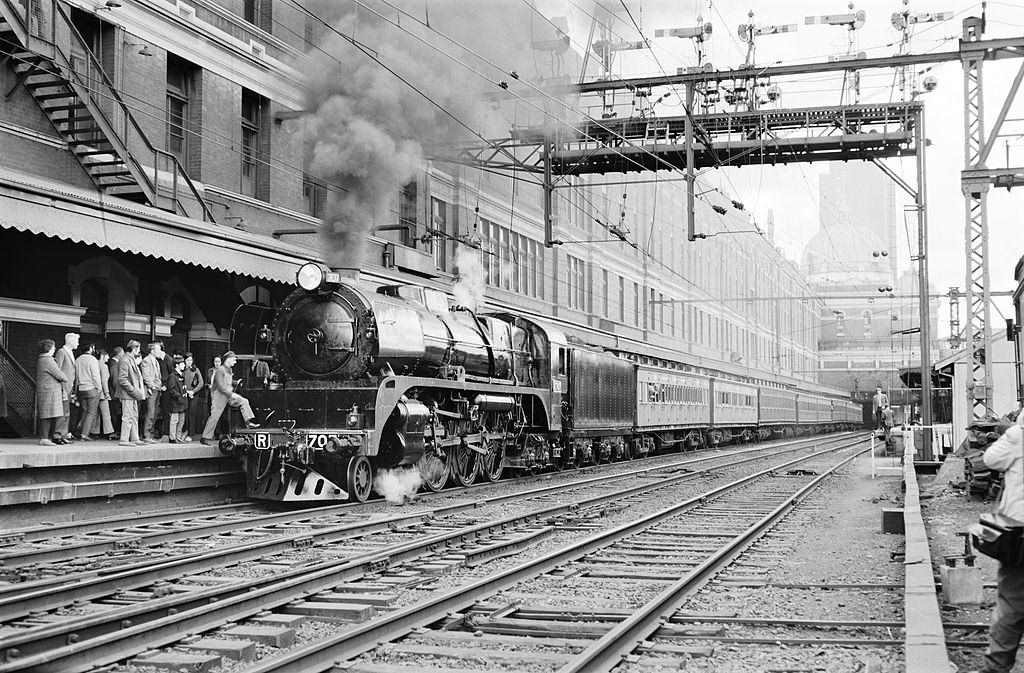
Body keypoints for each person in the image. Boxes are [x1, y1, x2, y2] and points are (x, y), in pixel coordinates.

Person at [979, 409, 1024, 673]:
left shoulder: (1018, 436)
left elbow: (991, 459)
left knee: (1012, 603)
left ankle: (996, 667)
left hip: (1020, 532)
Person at [201, 351, 259, 445]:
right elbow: (220, 386)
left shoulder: (229, 370)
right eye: (234, 360)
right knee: (214, 417)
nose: (235, 362)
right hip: (219, 396)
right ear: (228, 360)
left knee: (244, 401)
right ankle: (205, 437)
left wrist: (236, 383)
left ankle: (248, 421)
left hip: (228, 394)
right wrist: (232, 394)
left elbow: (229, 382)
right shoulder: (220, 370)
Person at [35, 339, 68, 446]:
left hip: (46, 390)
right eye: (53, 347)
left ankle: (45, 438)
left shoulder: (42, 359)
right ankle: (44, 438)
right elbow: (61, 375)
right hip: (50, 391)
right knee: (48, 416)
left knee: (47, 415)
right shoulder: (48, 360)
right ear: (48, 348)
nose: (54, 349)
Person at [116, 340, 146, 446]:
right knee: (128, 416)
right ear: (134, 349)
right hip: (127, 394)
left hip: (130, 394)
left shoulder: (129, 359)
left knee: (133, 416)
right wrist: (133, 390)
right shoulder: (125, 360)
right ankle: (124, 439)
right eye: (138, 349)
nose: (139, 351)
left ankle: (134, 438)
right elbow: (122, 379)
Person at [53, 332, 79, 442]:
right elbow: (57, 369)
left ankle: (64, 434)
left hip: (69, 387)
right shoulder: (61, 352)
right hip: (63, 387)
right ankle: (58, 434)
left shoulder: (71, 353)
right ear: (71, 341)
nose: (78, 343)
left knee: (67, 412)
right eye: (76, 341)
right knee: (62, 412)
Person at [73, 342, 102, 441]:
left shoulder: (78, 359)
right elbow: (95, 375)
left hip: (81, 389)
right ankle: (85, 434)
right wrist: (99, 388)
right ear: (90, 348)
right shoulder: (92, 359)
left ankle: (80, 430)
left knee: (84, 410)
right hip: (91, 388)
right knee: (91, 412)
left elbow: (75, 376)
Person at [140, 342, 165, 443]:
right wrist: (153, 386)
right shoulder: (146, 361)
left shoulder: (155, 361)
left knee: (155, 413)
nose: (160, 352)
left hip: (157, 390)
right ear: (152, 351)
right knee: (150, 413)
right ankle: (146, 435)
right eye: (158, 350)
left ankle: (150, 434)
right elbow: (146, 376)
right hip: (152, 391)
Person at [91, 349, 116, 439]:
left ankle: (94, 432)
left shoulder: (94, 363)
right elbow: (104, 381)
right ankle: (109, 432)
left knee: (95, 413)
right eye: (107, 356)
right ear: (102, 356)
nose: (108, 358)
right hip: (102, 393)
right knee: (106, 414)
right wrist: (107, 393)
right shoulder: (104, 366)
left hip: (94, 392)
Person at [167, 354, 188, 443]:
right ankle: (172, 437)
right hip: (176, 402)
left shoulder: (181, 375)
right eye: (182, 363)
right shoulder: (172, 376)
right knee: (174, 420)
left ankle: (178, 436)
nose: (184, 365)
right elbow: (171, 389)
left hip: (182, 401)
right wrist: (178, 396)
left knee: (181, 420)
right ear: (177, 365)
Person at [182, 352, 203, 439]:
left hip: (193, 395)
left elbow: (201, 383)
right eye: (187, 360)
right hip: (184, 394)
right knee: (184, 413)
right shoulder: (182, 369)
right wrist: (186, 391)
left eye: (191, 360)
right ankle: (183, 432)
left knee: (192, 413)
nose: (189, 362)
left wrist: (193, 392)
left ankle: (191, 433)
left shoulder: (196, 370)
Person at [108, 346, 123, 431]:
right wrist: (118, 392)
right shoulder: (114, 364)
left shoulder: (114, 363)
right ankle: (114, 431)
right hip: (114, 393)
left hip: (114, 392)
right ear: (119, 354)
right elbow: (115, 379)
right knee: (114, 414)